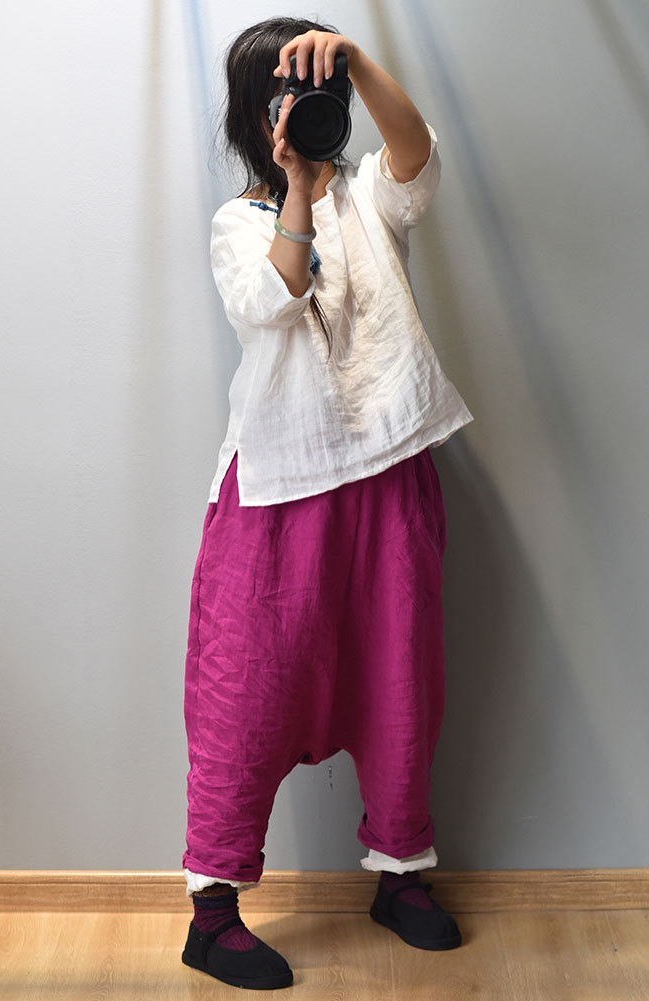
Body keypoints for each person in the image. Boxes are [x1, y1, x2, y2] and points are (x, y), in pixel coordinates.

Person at [180, 16, 474, 991]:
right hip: (278, 486)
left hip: (387, 473)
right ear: (252, 114)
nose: (303, 106)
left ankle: (400, 875)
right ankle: (212, 914)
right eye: (283, 93)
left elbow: (418, 156)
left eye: (314, 91)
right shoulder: (239, 222)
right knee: (247, 692)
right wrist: (298, 189)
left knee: (400, 679)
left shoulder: (369, 197)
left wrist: (351, 58)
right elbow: (273, 298)